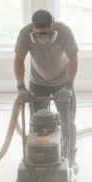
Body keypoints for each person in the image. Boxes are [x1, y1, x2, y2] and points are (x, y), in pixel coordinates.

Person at [14, 9, 79, 166]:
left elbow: (73, 59)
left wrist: (69, 86)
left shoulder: (64, 32)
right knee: (37, 124)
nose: (42, 36)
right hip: (37, 82)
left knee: (67, 122)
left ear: (53, 26)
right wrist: (21, 87)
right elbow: (18, 60)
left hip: (62, 82)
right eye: (39, 33)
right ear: (33, 28)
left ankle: (69, 159)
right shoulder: (25, 34)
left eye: (46, 32)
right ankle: (38, 158)